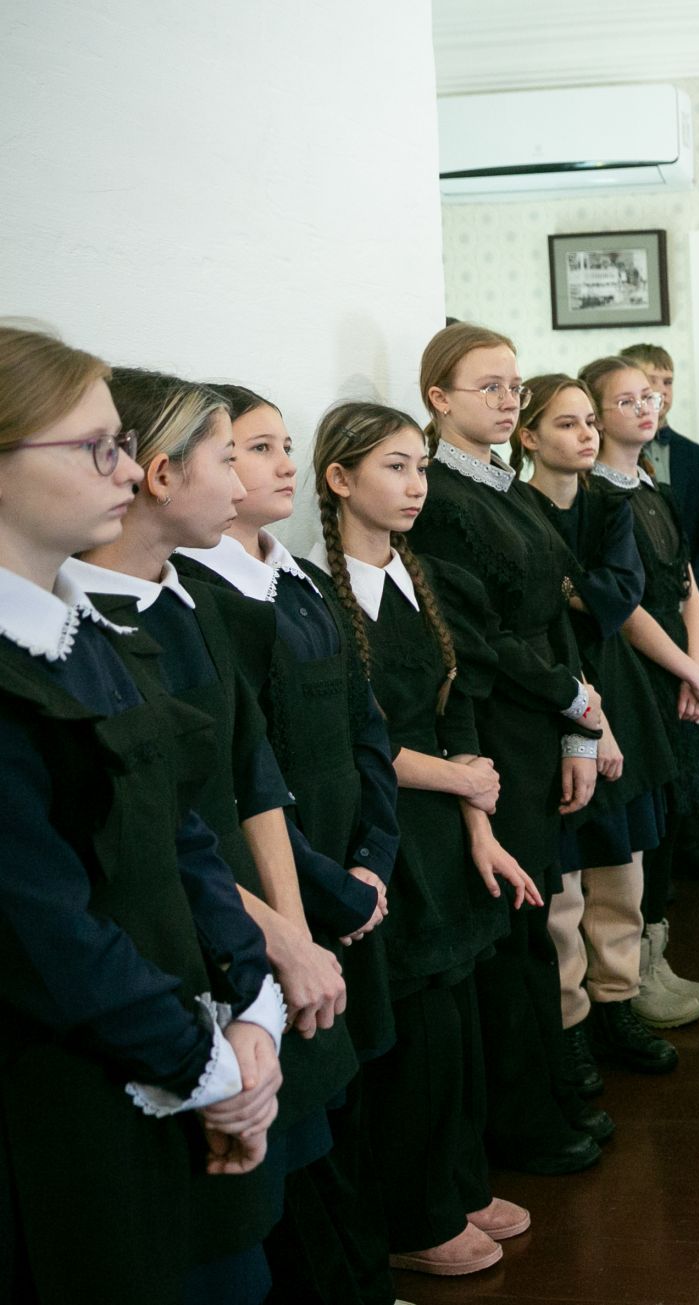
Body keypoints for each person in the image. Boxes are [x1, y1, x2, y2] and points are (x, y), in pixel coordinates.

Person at [0, 325, 284, 1305]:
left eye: (123, 441)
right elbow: (39, 930)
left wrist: (252, 1003)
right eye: (95, 448)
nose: (127, 469)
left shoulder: (83, 629)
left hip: (185, 1047)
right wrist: (212, 1068)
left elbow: (182, 834)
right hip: (72, 1095)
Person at [67, 369, 366, 1288]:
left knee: (300, 1169)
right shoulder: (88, 627)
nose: (244, 487)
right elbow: (164, 828)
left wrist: (291, 931)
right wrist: (273, 941)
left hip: (251, 945)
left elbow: (250, 779)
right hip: (194, 958)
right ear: (161, 474)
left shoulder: (181, 599)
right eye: (228, 458)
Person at [173, 384, 406, 1302]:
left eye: (280, 445)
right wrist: (329, 893)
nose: (275, 465)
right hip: (291, 901)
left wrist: (374, 859)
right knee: (303, 1133)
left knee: (354, 1107)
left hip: (352, 876)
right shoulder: (199, 596)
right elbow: (244, 779)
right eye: (251, 448)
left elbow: (364, 722)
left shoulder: (302, 576)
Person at [309, 400, 538, 1278]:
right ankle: (416, 1214)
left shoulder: (420, 574)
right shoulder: (325, 594)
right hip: (387, 827)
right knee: (416, 1034)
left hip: (450, 828)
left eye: (420, 467)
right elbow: (352, 735)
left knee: (460, 1024)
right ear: (340, 480)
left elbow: (459, 718)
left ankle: (456, 1182)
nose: (416, 486)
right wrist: (456, 782)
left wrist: (482, 829)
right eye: (396, 468)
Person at [409, 322, 610, 1176]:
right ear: (437, 398)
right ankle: (521, 1119)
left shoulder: (506, 485)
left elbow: (559, 612)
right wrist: (572, 700)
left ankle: (549, 1093)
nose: (507, 400)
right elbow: (476, 637)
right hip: (491, 723)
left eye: (514, 386)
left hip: (540, 721)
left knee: (538, 917)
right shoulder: (440, 499)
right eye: (487, 386)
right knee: (514, 921)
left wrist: (575, 723)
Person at [513, 372, 699, 1064]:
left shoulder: (610, 503)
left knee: (623, 867)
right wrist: (569, 589)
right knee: (563, 881)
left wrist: (564, 585)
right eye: (567, 423)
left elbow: (620, 597)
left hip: (616, 690)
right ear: (528, 436)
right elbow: (532, 610)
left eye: (590, 420)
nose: (587, 434)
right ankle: (571, 1024)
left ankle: (618, 1003)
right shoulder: (514, 507)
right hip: (551, 697)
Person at [581, 356, 699, 1026]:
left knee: (672, 817)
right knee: (645, 819)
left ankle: (657, 954)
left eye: (654, 395)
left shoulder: (653, 485)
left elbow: (688, 582)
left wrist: (697, 663)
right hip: (637, 668)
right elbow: (628, 605)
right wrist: (686, 670)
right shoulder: (595, 498)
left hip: (679, 668)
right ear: (597, 413)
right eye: (629, 399)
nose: (649, 407)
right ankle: (631, 971)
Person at [619, 342, 699, 884]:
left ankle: (693, 844)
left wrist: (688, 594)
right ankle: (658, 877)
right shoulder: (600, 480)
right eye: (647, 385)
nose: (659, 395)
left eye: (666, 382)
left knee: (692, 727)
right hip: (638, 633)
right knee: (656, 744)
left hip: (689, 616)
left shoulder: (693, 457)